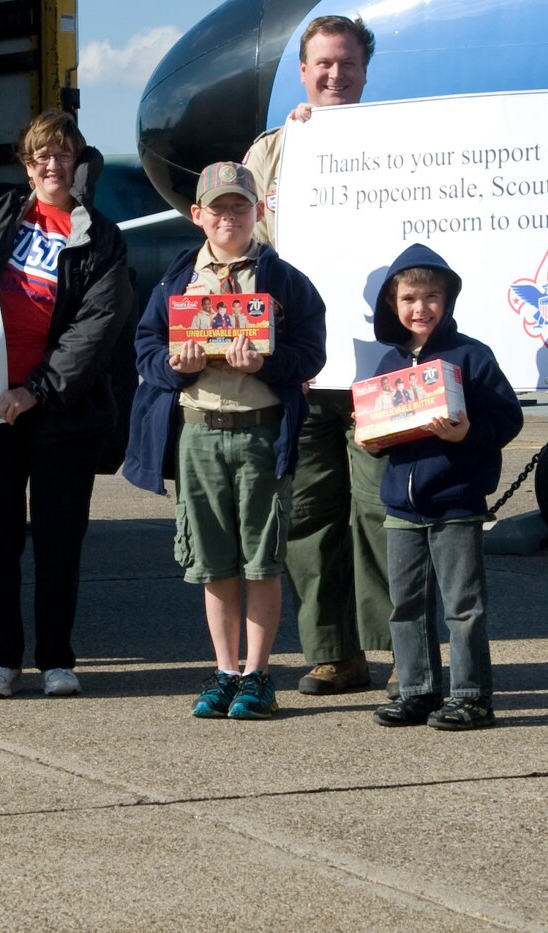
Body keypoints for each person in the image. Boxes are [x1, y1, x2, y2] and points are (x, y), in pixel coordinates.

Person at [0, 103, 132, 698]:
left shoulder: (101, 238)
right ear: (26, 166)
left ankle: (56, 659)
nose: (53, 164)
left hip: (63, 413)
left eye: (64, 154)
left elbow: (95, 331)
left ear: (79, 164)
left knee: (58, 541)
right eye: (42, 155)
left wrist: (36, 391)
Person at [123, 161, 327, 720]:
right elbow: (145, 348)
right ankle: (225, 671)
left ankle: (258, 674)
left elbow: (312, 351)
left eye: (240, 206)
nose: (229, 217)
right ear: (198, 215)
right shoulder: (177, 281)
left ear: (258, 211)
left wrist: (267, 363)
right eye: (218, 208)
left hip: (261, 433)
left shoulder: (284, 280)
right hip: (200, 433)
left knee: (261, 559)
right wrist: (175, 365)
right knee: (212, 561)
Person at [241, 14, 392, 696]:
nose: (334, 75)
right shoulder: (272, 153)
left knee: (381, 510)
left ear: (364, 71)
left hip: (379, 366)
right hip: (300, 369)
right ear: (302, 71)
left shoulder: (400, 142)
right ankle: (334, 653)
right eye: (322, 64)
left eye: (347, 63)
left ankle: (403, 651)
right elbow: (243, 251)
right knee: (307, 515)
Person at [363, 245, 522, 731]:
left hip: (456, 500)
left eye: (432, 296)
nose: (421, 307)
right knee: (406, 605)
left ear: (448, 300)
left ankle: (472, 697)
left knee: (463, 606)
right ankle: (417, 691)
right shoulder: (387, 363)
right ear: (392, 303)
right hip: (401, 505)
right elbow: (377, 429)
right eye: (409, 298)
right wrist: (370, 439)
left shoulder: (471, 355)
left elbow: (507, 418)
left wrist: (468, 433)